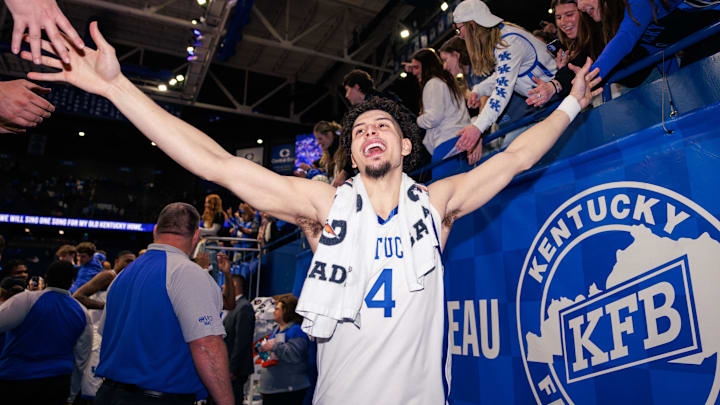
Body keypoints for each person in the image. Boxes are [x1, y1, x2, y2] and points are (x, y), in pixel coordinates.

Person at [27, 22, 601, 403]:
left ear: (405, 147)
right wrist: (118, 88)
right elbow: (219, 165)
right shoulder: (326, 206)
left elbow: (519, 154)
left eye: (384, 127)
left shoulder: (437, 204)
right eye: (360, 131)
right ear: (351, 155)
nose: (370, 132)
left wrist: (574, 99)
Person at [93, 202, 233, 405]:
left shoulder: (122, 276)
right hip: (157, 397)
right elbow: (207, 346)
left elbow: (106, 333)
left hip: (109, 394)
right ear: (196, 236)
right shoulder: (187, 273)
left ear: (156, 231)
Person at [452, 0, 558, 163]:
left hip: (557, 102)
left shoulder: (508, 43)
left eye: (460, 29)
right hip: (549, 104)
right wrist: (479, 90)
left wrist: (477, 128)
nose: (461, 35)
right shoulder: (503, 38)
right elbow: (504, 75)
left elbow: (502, 90)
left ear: (473, 26)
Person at [0, 260, 92, 405]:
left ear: (46, 277)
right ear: (72, 282)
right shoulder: (83, 313)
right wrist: (71, 395)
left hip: (16, 380)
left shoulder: (26, 299)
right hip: (56, 384)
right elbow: (81, 360)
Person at [577, 0, 720, 82]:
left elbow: (625, 38)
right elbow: (661, 51)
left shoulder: (636, 4)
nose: (580, 6)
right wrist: (676, 85)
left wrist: (589, 76)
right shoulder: (621, 17)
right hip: (701, 37)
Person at [70, 250, 136, 402]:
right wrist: (107, 306)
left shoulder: (127, 280)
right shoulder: (108, 275)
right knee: (91, 383)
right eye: (127, 260)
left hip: (110, 334)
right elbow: (78, 296)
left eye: (133, 261)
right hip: (95, 333)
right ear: (117, 260)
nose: (130, 264)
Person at [527, 0, 603, 107]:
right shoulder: (571, 44)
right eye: (559, 18)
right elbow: (576, 73)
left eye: (569, 14)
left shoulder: (599, 32)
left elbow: (584, 59)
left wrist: (554, 85)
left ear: (583, 12)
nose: (563, 22)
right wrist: (563, 67)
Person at [404, 48, 471, 158]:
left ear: (427, 67)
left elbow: (433, 118)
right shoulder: (447, 82)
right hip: (460, 140)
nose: (414, 72)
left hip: (447, 143)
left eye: (417, 67)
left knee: (444, 175)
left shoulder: (433, 84)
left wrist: (419, 119)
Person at [217, 253, 255, 405]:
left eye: (225, 284)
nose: (222, 286)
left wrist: (232, 368)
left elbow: (242, 340)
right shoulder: (231, 307)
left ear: (234, 286)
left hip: (235, 370)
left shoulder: (244, 307)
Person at [258, 295, 310, 405]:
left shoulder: (296, 331)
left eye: (277, 309)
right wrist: (263, 350)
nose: (274, 311)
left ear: (287, 311)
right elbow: (271, 355)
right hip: (273, 391)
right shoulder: (276, 330)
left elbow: (295, 354)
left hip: (287, 392)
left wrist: (273, 346)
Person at [312, 121, 352, 187]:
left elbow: (356, 159)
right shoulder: (329, 154)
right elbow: (319, 162)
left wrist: (344, 173)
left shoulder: (346, 149)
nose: (318, 142)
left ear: (329, 135)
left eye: (320, 138)